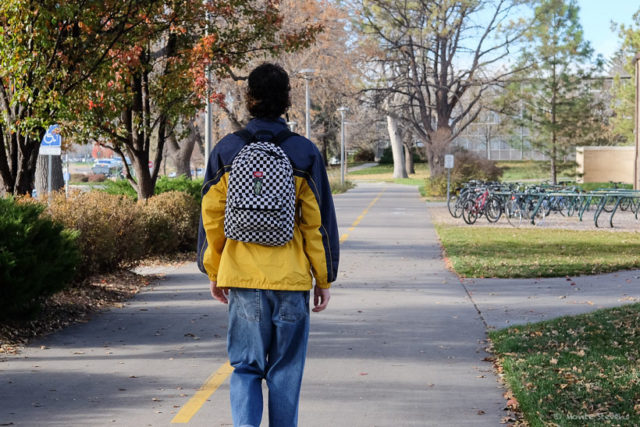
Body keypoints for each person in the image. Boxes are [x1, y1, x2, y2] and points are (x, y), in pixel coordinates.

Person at [197, 62, 339, 427]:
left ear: (249, 99)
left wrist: (215, 270)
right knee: (285, 373)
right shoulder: (304, 153)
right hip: (290, 283)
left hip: (243, 281)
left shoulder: (227, 150)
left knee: (245, 367)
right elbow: (316, 225)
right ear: (287, 100)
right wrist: (323, 278)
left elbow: (212, 218)